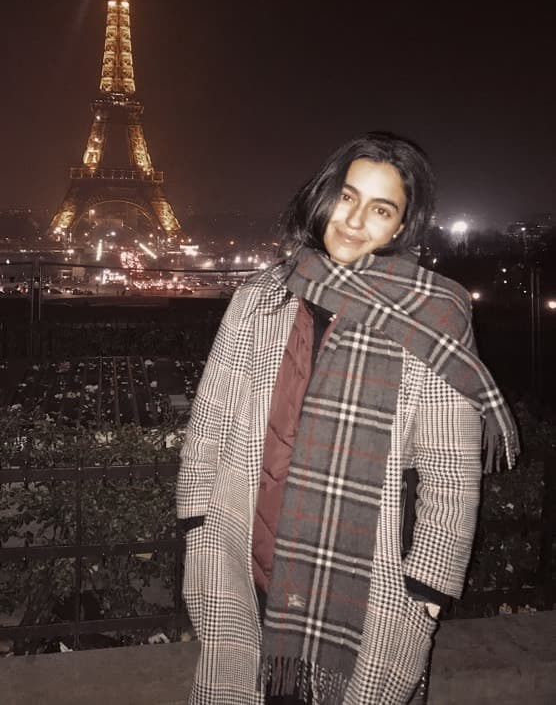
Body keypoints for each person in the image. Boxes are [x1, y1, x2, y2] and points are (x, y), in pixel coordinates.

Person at [176, 132, 519, 705]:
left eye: (380, 209)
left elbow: (450, 471)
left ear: (403, 226)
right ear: (323, 196)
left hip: (366, 577)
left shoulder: (433, 317)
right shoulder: (260, 297)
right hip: (244, 555)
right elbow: (209, 419)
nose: (355, 220)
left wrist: (429, 586)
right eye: (347, 196)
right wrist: (196, 522)